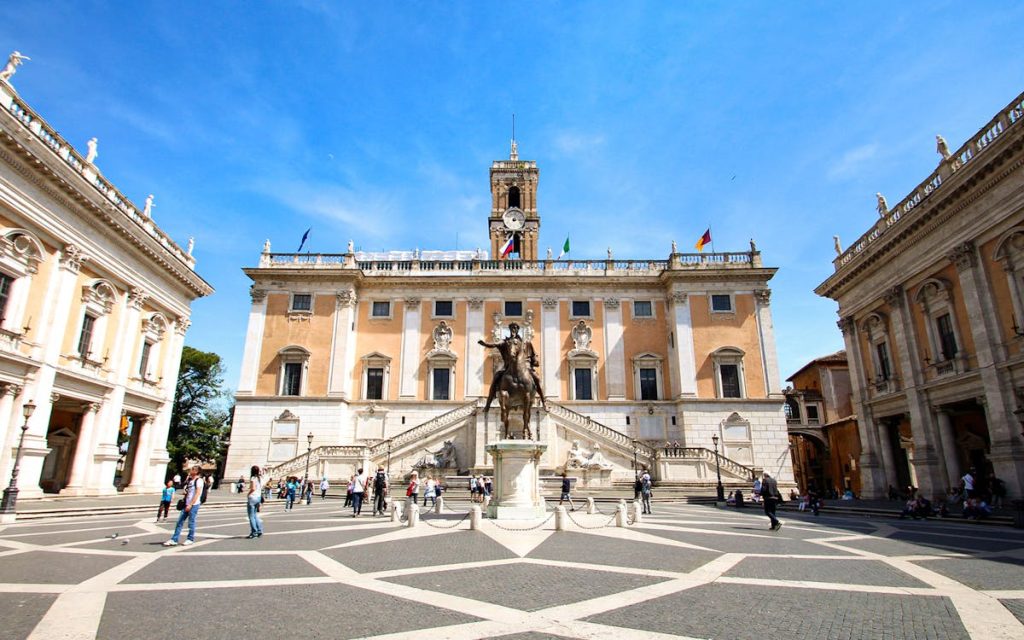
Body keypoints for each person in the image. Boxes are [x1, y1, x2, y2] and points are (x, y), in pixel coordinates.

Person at [479, 322, 546, 413]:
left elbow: (534, 356)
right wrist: (485, 344)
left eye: (515, 328)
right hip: (508, 366)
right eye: (511, 328)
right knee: (496, 378)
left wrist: (534, 361)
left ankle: (544, 402)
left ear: (518, 330)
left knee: (537, 378)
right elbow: (494, 344)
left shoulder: (526, 343)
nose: (513, 329)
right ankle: (488, 404)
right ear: (510, 330)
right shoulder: (506, 342)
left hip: (525, 366)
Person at [164, 466, 204, 546]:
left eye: (192, 469)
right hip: (186, 503)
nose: (190, 470)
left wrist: (190, 504)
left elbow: (197, 493)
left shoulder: (199, 480)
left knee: (191, 522)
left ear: (196, 472)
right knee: (179, 522)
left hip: (194, 504)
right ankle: (174, 539)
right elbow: (190, 492)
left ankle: (190, 539)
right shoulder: (190, 480)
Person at [246, 465, 264, 539]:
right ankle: (259, 530)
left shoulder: (253, 478)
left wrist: (248, 494)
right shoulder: (260, 478)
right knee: (255, 515)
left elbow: (253, 488)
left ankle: (254, 532)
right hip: (258, 497)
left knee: (251, 516)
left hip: (252, 497)